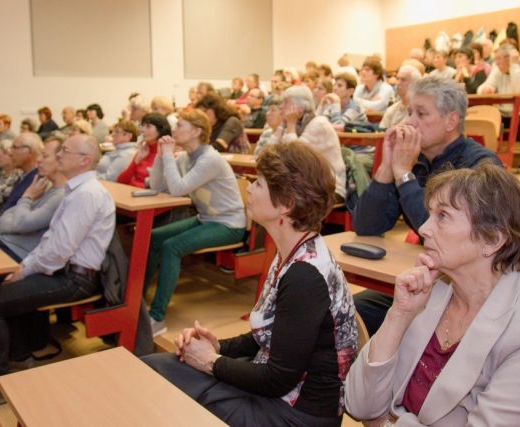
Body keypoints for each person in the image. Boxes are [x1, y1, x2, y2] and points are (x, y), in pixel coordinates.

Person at [143, 141, 357, 427]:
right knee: (155, 369)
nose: (248, 188)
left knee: (163, 394)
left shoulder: (305, 276)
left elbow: (277, 379)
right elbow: (270, 336)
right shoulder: (292, 250)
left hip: (296, 414)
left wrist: (211, 361)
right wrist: (218, 346)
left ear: (286, 205)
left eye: (258, 183)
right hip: (276, 393)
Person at [345, 163, 520, 426]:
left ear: (492, 240)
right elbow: (358, 403)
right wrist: (399, 314)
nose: (424, 229)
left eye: (442, 216)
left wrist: (389, 423)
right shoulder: (432, 293)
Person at [0, 134, 116, 414]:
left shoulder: (87, 193)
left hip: (75, 279)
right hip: (62, 270)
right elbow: (51, 242)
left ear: (84, 160)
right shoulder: (75, 190)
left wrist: (25, 269)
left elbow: (59, 249)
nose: (59, 155)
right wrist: (25, 266)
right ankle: (17, 358)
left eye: (65, 151)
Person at [353, 76, 501, 337]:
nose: (410, 122)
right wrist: (388, 166)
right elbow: (367, 226)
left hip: (469, 291)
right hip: (426, 279)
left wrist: (403, 175)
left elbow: (439, 232)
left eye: (421, 113)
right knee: (348, 312)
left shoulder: (479, 166)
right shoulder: (414, 160)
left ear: (451, 121)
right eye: (409, 112)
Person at [145, 110, 246, 335]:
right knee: (153, 237)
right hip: (206, 219)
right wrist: (162, 156)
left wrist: (169, 155)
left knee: (172, 247)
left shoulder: (210, 158)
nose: (174, 130)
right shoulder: (185, 158)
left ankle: (157, 317)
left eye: (180, 125)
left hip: (229, 224)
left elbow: (179, 189)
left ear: (197, 131)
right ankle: (138, 300)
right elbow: (157, 186)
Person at [264, 85, 347, 202]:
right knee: (264, 192)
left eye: (286, 102)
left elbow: (295, 159)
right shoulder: (293, 125)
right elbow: (267, 155)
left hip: (327, 188)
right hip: (304, 185)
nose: (281, 106)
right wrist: (282, 126)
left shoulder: (319, 123)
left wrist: (290, 124)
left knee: (274, 197)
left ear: (300, 107)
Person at [0, 137, 67, 262]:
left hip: (14, 254)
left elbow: (20, 223)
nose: (38, 160)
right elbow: (6, 216)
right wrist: (13, 224)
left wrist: (27, 196)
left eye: (45, 156)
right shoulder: (45, 187)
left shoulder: (60, 196)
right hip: (4, 244)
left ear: (60, 160)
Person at [478, 43, 520, 173]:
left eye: (498, 59)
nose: (496, 63)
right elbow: (481, 89)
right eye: (495, 59)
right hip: (506, 112)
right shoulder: (498, 69)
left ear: (510, 58)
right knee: (486, 122)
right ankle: (488, 161)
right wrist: (486, 89)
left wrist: (514, 66)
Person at [117, 113, 171, 188]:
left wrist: (134, 185)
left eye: (148, 126)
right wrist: (136, 160)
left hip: (149, 197)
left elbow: (157, 187)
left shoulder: (166, 153)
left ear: (160, 130)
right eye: (143, 126)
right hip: (133, 193)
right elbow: (120, 181)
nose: (143, 130)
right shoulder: (143, 150)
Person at [0, 132, 43, 214]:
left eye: (15, 147)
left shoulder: (37, 179)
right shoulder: (23, 176)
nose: (10, 153)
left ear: (29, 151)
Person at [379, 65, 422, 130]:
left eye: (403, 80)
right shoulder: (391, 110)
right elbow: (381, 133)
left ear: (415, 83)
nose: (398, 83)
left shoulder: (423, 111)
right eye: (397, 79)